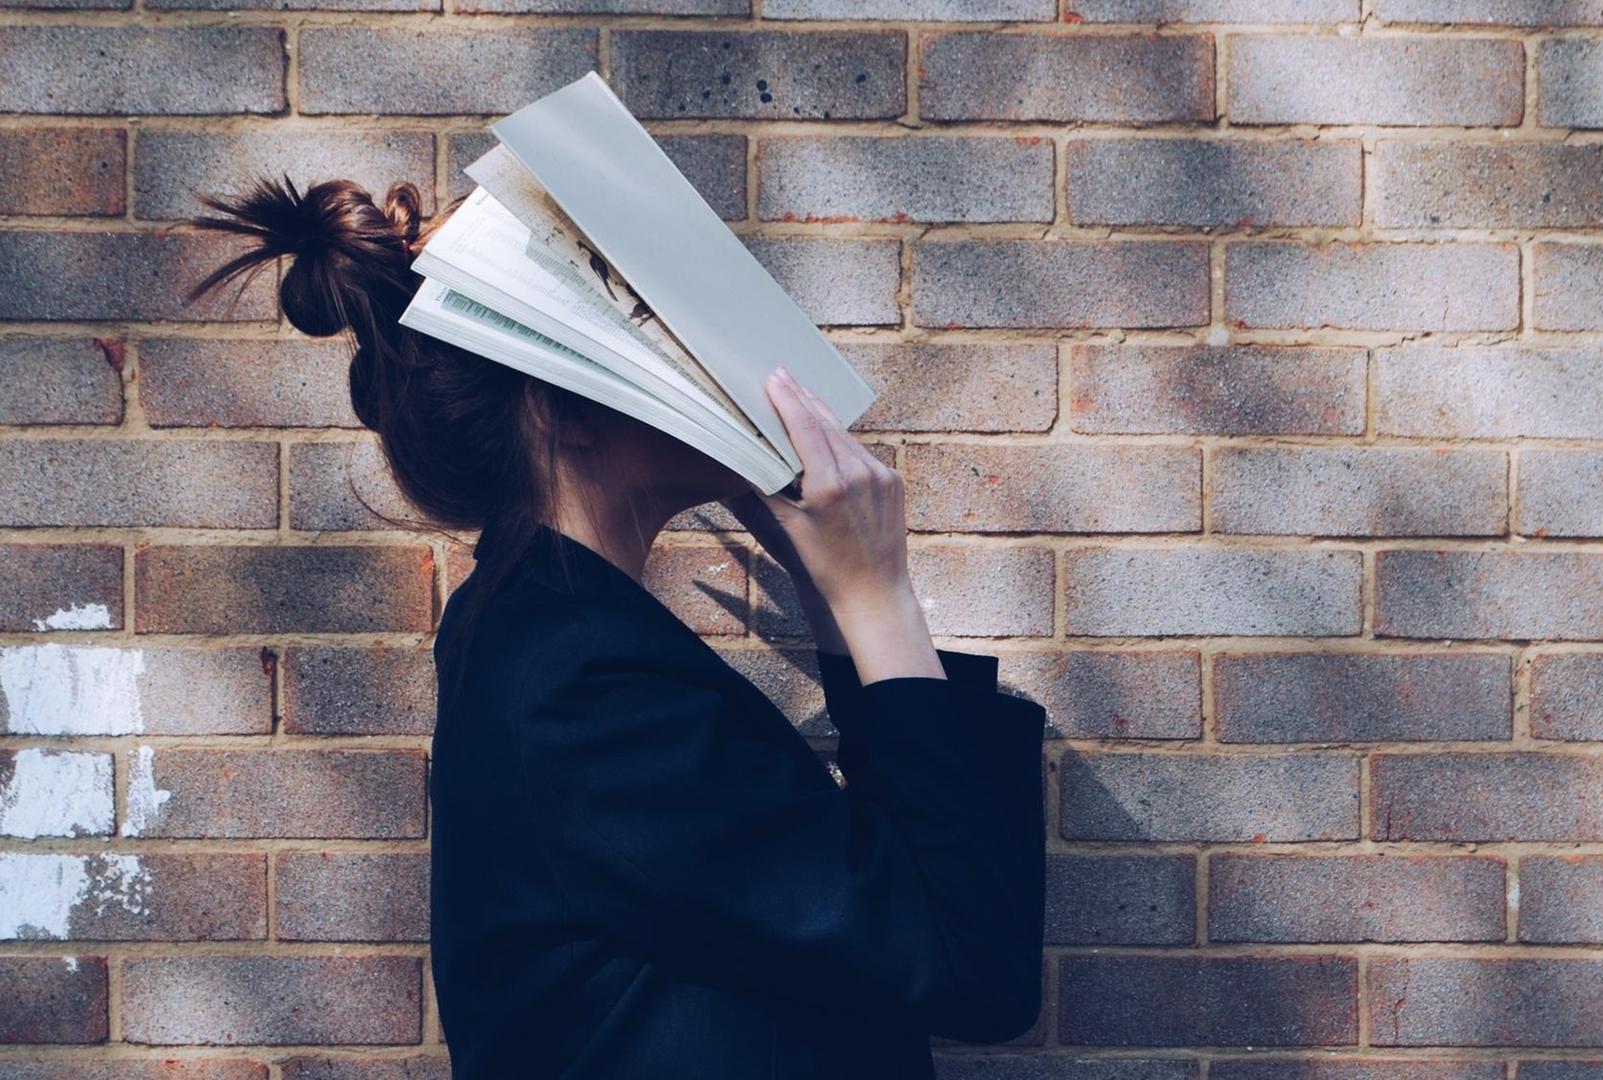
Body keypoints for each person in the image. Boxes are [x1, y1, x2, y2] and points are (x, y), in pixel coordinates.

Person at [188, 175, 1048, 1078]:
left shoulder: (554, 643)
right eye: (654, 336)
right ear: (562, 406)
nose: (709, 363)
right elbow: (968, 963)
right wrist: (878, 599)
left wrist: (834, 591)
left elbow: (890, 922)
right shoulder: (580, 690)